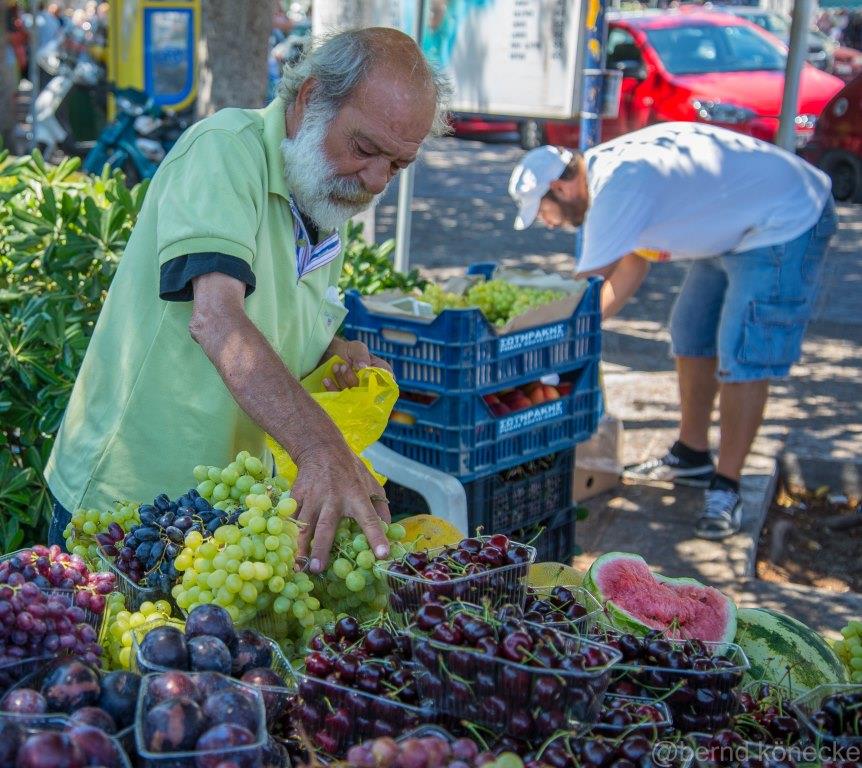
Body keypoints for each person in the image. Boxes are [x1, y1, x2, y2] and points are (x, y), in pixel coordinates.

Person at [45, 27, 450, 571]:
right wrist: (320, 448)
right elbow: (217, 318)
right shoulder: (225, 151)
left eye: (398, 165)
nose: (378, 180)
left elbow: (287, 306)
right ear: (310, 100)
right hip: (128, 500)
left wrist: (336, 348)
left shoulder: (328, 188)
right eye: (366, 149)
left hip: (218, 518)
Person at [508, 123, 836, 539]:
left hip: (786, 218)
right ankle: (692, 454)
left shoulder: (617, 188)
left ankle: (727, 487)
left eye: (542, 211)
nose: (548, 224)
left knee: (743, 353)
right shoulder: (609, 179)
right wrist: (581, 332)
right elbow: (631, 265)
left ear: (560, 187)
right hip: (734, 226)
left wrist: (541, 344)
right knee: (690, 332)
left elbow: (581, 290)